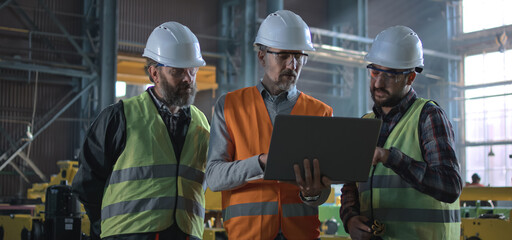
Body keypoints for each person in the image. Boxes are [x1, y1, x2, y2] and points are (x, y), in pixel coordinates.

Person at [72, 22, 210, 240]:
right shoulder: (119, 117)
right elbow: (87, 183)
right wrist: (109, 227)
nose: (188, 79)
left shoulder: (202, 124)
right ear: (154, 73)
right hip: (128, 234)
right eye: (178, 71)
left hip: (185, 234)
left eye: (192, 71)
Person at [206, 10, 333, 240]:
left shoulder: (321, 112)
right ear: (262, 56)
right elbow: (214, 177)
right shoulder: (230, 106)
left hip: (301, 234)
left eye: (299, 56)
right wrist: (261, 163)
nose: (292, 64)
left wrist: (313, 194)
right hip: (248, 235)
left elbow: (323, 190)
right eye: (283, 55)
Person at [339, 25, 463, 240]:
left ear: (410, 78)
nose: (378, 82)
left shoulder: (428, 116)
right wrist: (350, 218)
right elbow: (350, 186)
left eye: (389, 75)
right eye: (375, 71)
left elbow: (450, 186)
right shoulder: (365, 123)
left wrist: (390, 157)